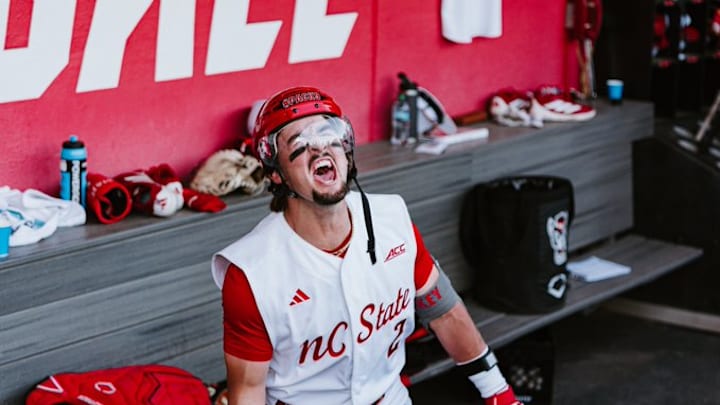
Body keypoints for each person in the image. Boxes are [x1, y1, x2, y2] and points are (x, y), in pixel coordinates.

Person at [211, 86, 522, 405]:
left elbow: (443, 312)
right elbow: (248, 389)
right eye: (300, 143)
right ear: (276, 173)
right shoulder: (251, 271)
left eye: (329, 134)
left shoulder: (392, 218)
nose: (319, 148)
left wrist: (498, 391)